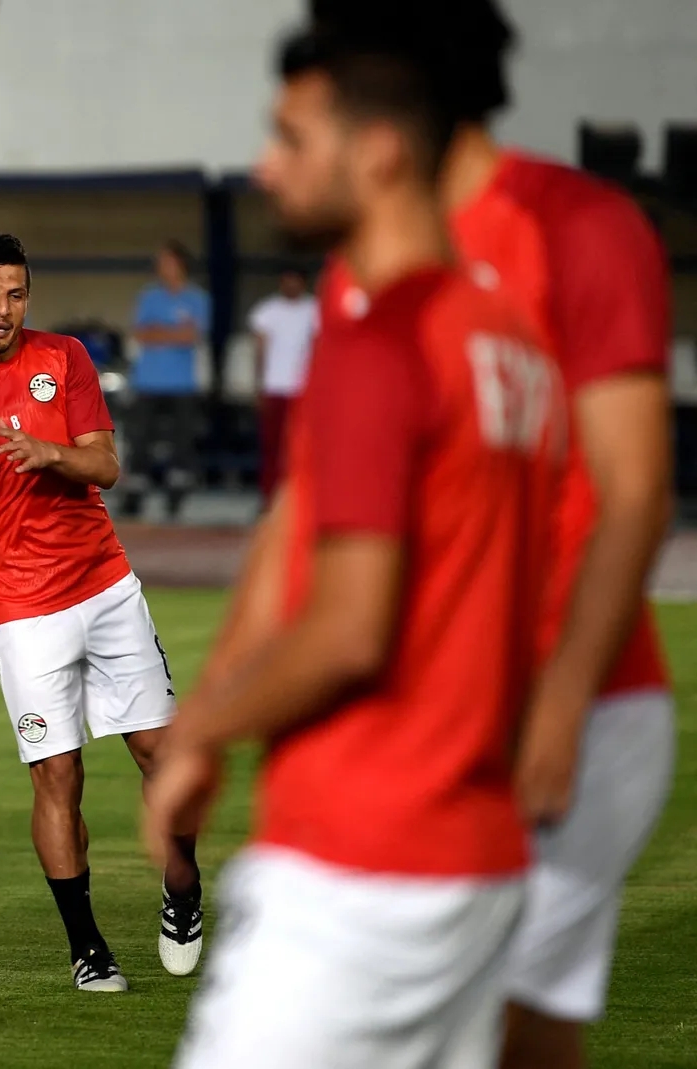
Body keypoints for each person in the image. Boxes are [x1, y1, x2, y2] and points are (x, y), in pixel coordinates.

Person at [149, 17, 567, 1067]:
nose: (267, 164)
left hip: (358, 861)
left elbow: (346, 631)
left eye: (292, 137)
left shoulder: (380, 345)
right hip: (478, 856)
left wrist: (199, 731)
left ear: (377, 151)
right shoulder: (511, 339)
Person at [309, 3, 677, 1065]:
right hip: (445, 712)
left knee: (483, 1024)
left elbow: (635, 490)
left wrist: (560, 703)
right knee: (501, 1034)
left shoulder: (578, 225)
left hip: (584, 700)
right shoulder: (361, 260)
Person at [0, 232, 203, 993]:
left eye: (15, 293)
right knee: (56, 774)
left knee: (161, 755)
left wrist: (51, 455)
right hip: (18, 610)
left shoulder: (64, 357)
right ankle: (88, 947)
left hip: (103, 586)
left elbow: (104, 463)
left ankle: (182, 885)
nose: (2, 308)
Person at [123, 240, 212, 519]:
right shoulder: (149, 297)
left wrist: (159, 332)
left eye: (167, 262)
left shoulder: (197, 299)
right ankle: (135, 493)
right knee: (140, 440)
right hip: (147, 381)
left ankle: (176, 493)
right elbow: (141, 333)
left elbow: (192, 336)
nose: (162, 267)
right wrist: (174, 332)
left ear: (181, 265)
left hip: (182, 383)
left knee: (181, 442)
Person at [247, 268, 319, 499]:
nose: (291, 286)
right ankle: (270, 496)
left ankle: (300, 497)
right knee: (272, 446)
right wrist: (259, 385)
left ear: (303, 284)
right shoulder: (267, 311)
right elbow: (260, 352)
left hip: (303, 389)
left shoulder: (314, 310)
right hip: (274, 386)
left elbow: (320, 348)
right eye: (287, 281)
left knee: (302, 447)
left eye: (295, 282)